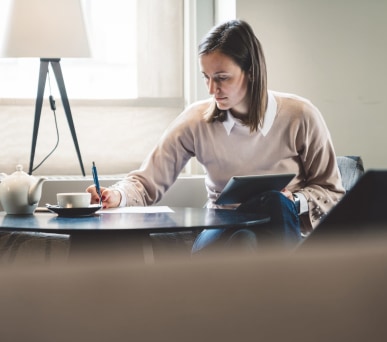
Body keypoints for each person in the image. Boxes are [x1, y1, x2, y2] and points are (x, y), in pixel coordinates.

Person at [87, 19, 345, 255]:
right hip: (220, 229)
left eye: (222, 78)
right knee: (245, 238)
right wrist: (116, 195)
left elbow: (332, 193)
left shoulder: (300, 115)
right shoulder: (196, 121)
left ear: (251, 72)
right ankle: (288, 295)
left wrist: (295, 200)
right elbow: (146, 183)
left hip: (280, 224)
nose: (212, 89)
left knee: (271, 209)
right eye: (206, 78)